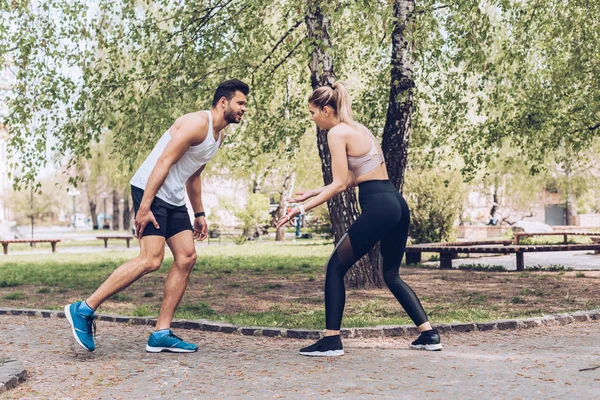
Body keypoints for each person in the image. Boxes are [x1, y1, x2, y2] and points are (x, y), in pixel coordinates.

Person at [65, 79, 249, 353]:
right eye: (241, 103)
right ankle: (83, 309)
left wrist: (199, 213)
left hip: (172, 197)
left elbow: (194, 174)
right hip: (150, 189)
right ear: (224, 102)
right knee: (150, 259)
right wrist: (144, 207)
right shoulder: (197, 123)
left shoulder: (218, 137)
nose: (244, 109)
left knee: (187, 257)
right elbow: (163, 161)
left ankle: (161, 332)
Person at [276, 82, 441, 356]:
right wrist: (315, 192)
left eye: (313, 112)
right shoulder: (358, 128)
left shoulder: (336, 133)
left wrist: (302, 210)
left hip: (378, 206)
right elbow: (358, 176)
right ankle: (429, 334)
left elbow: (340, 184)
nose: (312, 118)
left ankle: (331, 341)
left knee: (335, 266)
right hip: (395, 202)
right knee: (390, 274)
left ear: (326, 110)